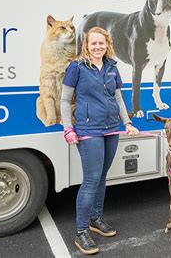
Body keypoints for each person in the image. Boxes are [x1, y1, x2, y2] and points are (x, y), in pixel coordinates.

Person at [60, 26, 139, 255]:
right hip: (89, 130)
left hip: (111, 128)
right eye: (93, 43)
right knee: (91, 180)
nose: (97, 47)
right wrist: (68, 129)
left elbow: (118, 98)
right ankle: (81, 231)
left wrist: (127, 123)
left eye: (101, 43)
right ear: (86, 44)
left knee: (103, 177)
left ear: (107, 44)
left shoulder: (112, 67)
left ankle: (96, 219)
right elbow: (65, 100)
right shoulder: (76, 67)